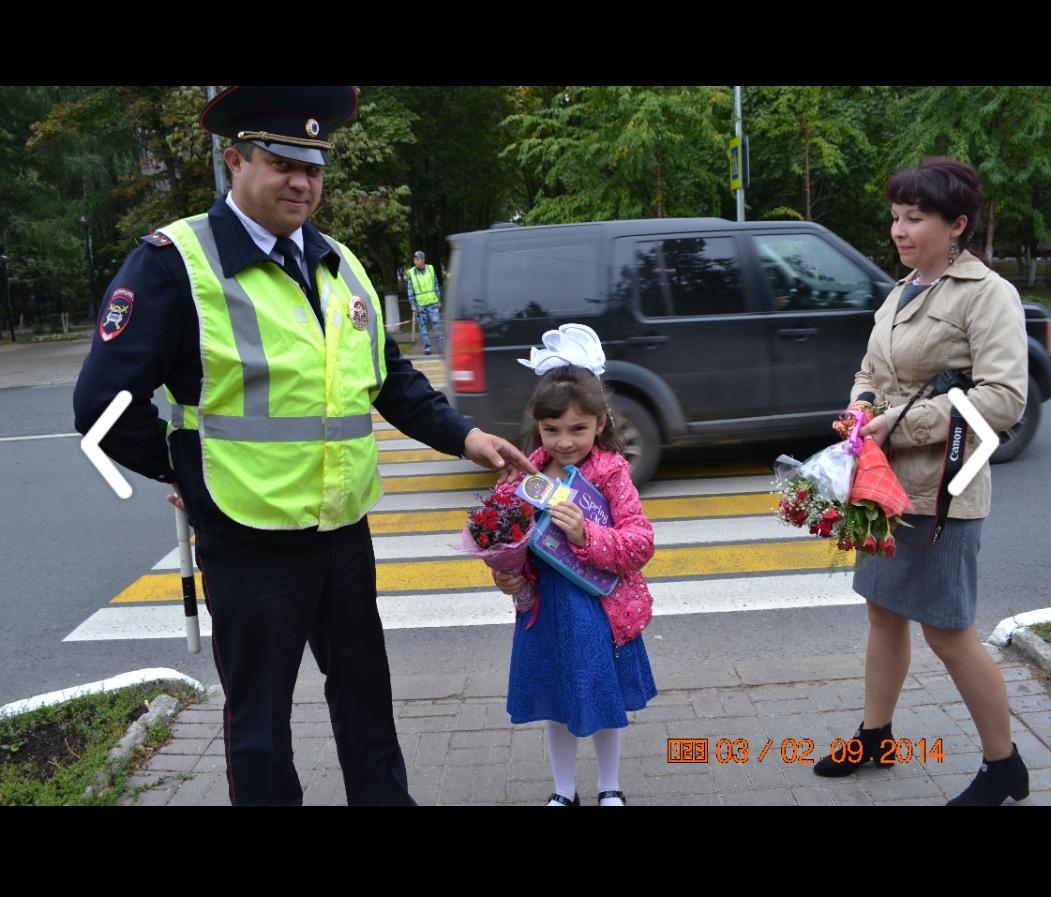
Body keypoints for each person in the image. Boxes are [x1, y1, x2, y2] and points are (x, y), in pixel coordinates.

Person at [73, 86, 534, 806]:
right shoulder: (174, 263)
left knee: (366, 697)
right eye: (282, 162)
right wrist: (185, 469)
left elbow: (390, 381)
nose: (302, 181)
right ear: (234, 161)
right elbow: (101, 408)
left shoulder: (338, 264)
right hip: (247, 536)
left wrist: (468, 436)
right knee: (260, 722)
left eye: (314, 168)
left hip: (342, 528)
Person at [814, 157, 1029, 806]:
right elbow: (872, 372)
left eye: (915, 217)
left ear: (957, 224)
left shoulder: (987, 294)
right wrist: (859, 410)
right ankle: (875, 734)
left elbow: (1003, 398)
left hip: (944, 491)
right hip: (883, 486)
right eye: (896, 216)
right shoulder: (903, 289)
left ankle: (1005, 764)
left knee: (948, 630)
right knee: (883, 613)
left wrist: (896, 428)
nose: (898, 229)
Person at [493, 325, 657, 806]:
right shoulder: (526, 476)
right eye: (552, 430)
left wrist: (588, 535)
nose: (565, 442)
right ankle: (564, 792)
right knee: (557, 703)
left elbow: (639, 542)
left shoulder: (611, 472)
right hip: (547, 610)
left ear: (601, 424)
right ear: (537, 426)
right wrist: (507, 574)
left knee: (604, 701)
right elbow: (511, 541)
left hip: (600, 609)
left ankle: (610, 786)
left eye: (578, 429)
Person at [405, 250, 444, 355]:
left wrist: (439, 300)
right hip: (420, 305)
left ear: (423, 260)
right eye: (415, 259)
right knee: (423, 328)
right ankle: (427, 348)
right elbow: (410, 290)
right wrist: (413, 304)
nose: (416, 261)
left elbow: (436, 284)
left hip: (432, 303)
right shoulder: (411, 273)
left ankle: (442, 346)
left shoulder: (431, 269)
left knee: (437, 325)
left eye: (418, 259)